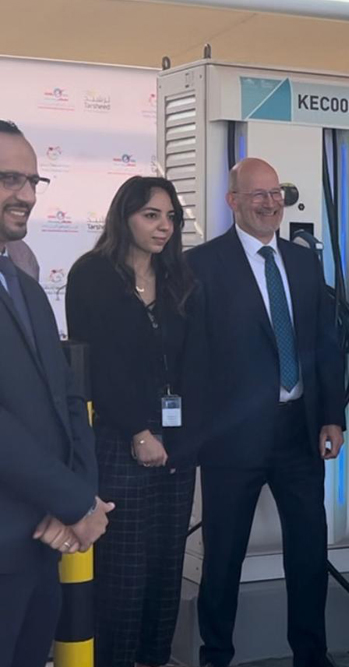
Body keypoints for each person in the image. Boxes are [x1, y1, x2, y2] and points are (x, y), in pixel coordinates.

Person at [187, 157, 345, 667]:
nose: (270, 202)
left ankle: (311, 656)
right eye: (257, 194)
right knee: (223, 559)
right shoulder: (201, 266)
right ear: (233, 201)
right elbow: (192, 357)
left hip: (299, 433)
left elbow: (325, 344)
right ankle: (215, 656)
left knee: (307, 554)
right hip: (231, 440)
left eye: (276, 192)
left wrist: (332, 416)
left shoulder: (302, 262)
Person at [65, 176, 206, 667]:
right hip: (119, 439)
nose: (163, 226)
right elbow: (98, 367)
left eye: (171, 217)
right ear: (124, 216)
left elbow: (193, 362)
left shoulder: (179, 278)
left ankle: (155, 658)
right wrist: (138, 432)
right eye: (151, 215)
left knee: (166, 566)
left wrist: (184, 437)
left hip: (175, 443)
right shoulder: (93, 275)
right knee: (123, 568)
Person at [0, 119, 111, 667]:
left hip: (43, 545)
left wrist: (83, 499)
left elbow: (69, 402)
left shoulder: (25, 287)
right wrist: (74, 503)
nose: (25, 195)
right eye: (9, 179)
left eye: (34, 182)